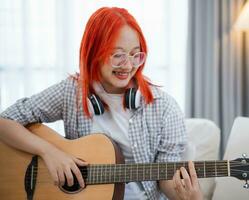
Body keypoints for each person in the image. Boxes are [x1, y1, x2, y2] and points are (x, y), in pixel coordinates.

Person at [0, 7, 203, 200]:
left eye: (135, 55)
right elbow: (5, 122)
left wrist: (188, 196)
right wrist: (50, 152)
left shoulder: (164, 107)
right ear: (94, 53)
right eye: (118, 55)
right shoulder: (71, 92)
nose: (128, 65)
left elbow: (166, 176)